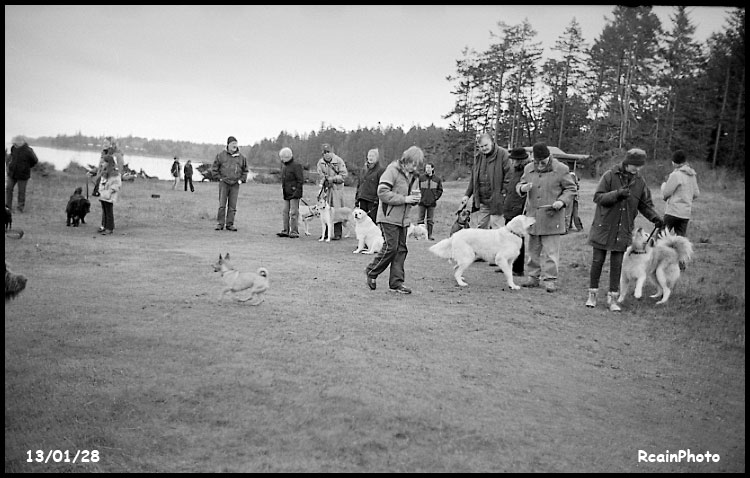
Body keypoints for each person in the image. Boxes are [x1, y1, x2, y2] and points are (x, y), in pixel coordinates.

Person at [586, 148, 664, 311]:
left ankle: (613, 299)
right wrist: (617, 194)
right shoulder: (609, 175)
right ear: (627, 162)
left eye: (640, 166)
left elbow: (645, 205)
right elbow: (598, 197)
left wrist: (655, 217)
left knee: (617, 264)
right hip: (603, 227)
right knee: (597, 261)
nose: (637, 168)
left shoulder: (640, 182)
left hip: (624, 228)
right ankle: (592, 295)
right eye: (635, 165)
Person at [516, 142, 578, 293]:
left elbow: (571, 189)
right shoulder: (528, 168)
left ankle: (550, 279)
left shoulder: (561, 169)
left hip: (552, 217)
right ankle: (533, 277)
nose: (539, 165)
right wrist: (522, 188)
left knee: (551, 252)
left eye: (542, 162)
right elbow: (520, 184)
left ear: (549, 157)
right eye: (537, 162)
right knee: (533, 250)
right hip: (533, 217)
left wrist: (561, 201)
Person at [365, 145, 424, 294]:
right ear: (406, 160)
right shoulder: (392, 171)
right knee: (391, 247)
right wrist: (405, 199)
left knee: (401, 250)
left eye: (417, 165)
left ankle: (396, 284)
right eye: (413, 164)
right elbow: (382, 192)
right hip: (388, 217)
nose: (415, 168)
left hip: (404, 219)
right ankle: (372, 271)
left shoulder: (414, 176)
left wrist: (415, 199)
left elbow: (412, 196)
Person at [460, 132, 511, 229]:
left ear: (492, 142)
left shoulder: (503, 154)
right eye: (481, 146)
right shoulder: (478, 157)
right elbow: (474, 179)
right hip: (483, 201)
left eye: (486, 145)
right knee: (481, 227)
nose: (484, 148)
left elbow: (509, 176)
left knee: (497, 228)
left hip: (498, 201)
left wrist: (503, 193)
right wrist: (467, 195)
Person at [502, 147, 532, 277]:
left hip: (519, 209)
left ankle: (518, 268)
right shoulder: (514, 171)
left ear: (520, 160)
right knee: (508, 238)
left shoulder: (527, 171)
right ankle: (508, 265)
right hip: (510, 206)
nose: (512, 162)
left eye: (514, 160)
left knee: (517, 239)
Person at [211, 136, 249, 231]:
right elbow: (214, 168)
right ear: (228, 145)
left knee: (232, 206)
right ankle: (220, 224)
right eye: (233, 144)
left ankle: (230, 224)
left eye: (236, 143)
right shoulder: (220, 155)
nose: (235, 145)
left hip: (235, 184)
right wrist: (219, 178)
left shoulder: (242, 158)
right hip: (224, 183)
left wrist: (241, 180)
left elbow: (245, 170)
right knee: (222, 205)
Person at [661, 149, 699, 237]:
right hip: (685, 213)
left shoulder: (675, 175)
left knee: (661, 236)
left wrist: (664, 185)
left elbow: (666, 193)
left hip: (672, 212)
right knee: (680, 240)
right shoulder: (692, 175)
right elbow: (696, 193)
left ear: (674, 163)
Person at [316, 143, 348, 240]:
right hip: (326, 190)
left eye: (328, 152)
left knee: (337, 211)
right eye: (324, 152)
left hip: (337, 190)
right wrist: (324, 180)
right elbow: (320, 175)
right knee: (325, 211)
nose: (326, 154)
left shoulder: (339, 161)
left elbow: (344, 175)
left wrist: (333, 179)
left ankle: (338, 233)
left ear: (332, 152)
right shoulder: (320, 163)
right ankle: (325, 233)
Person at [5, 135, 39, 213]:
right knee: (8, 188)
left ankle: (20, 208)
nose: (15, 143)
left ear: (22, 142)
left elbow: (35, 160)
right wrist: (10, 165)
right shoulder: (13, 148)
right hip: (12, 173)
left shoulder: (28, 150)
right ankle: (8, 207)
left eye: (17, 141)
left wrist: (27, 167)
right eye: (15, 141)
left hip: (23, 175)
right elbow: (12, 157)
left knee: (21, 192)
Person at [276, 147, 304, 239]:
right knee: (285, 212)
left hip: (294, 193)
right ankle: (285, 230)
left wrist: (296, 192)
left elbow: (300, 180)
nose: (281, 159)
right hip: (286, 193)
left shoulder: (297, 166)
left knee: (294, 213)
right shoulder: (285, 167)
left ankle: (294, 231)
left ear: (286, 157)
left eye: (282, 157)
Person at [354, 148, 385, 224]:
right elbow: (360, 184)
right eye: (369, 156)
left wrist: (377, 199)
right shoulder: (363, 169)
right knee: (362, 221)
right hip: (362, 198)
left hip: (372, 200)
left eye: (373, 156)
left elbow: (381, 186)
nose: (370, 158)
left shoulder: (380, 170)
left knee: (371, 222)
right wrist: (357, 198)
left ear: (377, 158)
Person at [416, 162, 443, 240]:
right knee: (420, 220)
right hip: (422, 202)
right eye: (426, 167)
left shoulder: (437, 179)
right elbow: (417, 188)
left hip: (432, 203)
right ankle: (419, 235)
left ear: (432, 168)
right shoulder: (421, 178)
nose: (427, 169)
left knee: (430, 220)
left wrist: (435, 197)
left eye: (429, 168)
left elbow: (440, 190)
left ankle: (429, 235)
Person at [96, 154, 122, 235]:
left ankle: (110, 228)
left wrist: (110, 191)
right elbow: (101, 182)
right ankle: (103, 225)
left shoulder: (115, 174)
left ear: (108, 163)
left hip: (110, 195)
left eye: (104, 162)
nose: (102, 164)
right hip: (103, 194)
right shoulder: (104, 173)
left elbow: (117, 184)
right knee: (104, 211)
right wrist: (101, 190)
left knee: (109, 212)